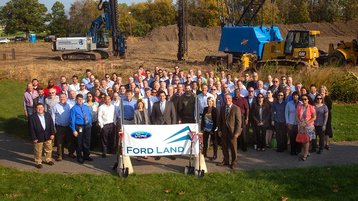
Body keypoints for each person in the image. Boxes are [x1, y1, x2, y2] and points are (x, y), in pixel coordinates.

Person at [217, 94, 242, 169]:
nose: (227, 100)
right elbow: (220, 120)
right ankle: (226, 160)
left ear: (231, 99)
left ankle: (234, 161)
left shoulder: (236, 108)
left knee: (233, 147)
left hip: (233, 131)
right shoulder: (222, 108)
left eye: (229, 98)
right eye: (226, 99)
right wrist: (219, 130)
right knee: (224, 147)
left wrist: (237, 133)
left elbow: (239, 122)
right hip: (224, 131)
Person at [151, 91, 177, 160]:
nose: (162, 97)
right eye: (160, 96)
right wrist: (154, 124)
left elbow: (173, 115)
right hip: (159, 125)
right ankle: (159, 154)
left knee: (170, 140)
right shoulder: (155, 104)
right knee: (159, 140)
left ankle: (171, 154)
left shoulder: (170, 104)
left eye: (163, 96)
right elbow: (153, 115)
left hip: (168, 124)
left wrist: (173, 125)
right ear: (159, 97)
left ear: (165, 96)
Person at [29, 103, 55, 169]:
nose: (40, 109)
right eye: (38, 108)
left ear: (44, 108)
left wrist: (52, 133)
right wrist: (34, 138)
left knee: (49, 149)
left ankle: (48, 159)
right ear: (36, 109)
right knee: (38, 150)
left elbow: (51, 124)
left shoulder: (48, 115)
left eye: (41, 107)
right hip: (38, 137)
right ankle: (38, 162)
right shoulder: (32, 117)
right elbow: (31, 129)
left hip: (48, 135)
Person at [70, 94, 93, 164]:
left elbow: (89, 115)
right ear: (76, 100)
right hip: (79, 127)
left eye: (81, 99)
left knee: (87, 142)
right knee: (79, 142)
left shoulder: (86, 107)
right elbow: (72, 120)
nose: (80, 100)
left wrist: (90, 124)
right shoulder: (73, 108)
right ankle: (79, 157)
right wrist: (73, 130)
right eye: (78, 99)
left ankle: (86, 155)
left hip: (87, 126)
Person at [52, 93, 75, 161]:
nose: (62, 98)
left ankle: (71, 153)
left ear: (66, 98)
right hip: (59, 127)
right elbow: (53, 117)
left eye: (64, 97)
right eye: (61, 97)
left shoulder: (69, 106)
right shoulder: (55, 106)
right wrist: (53, 127)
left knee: (70, 140)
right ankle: (60, 155)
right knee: (59, 141)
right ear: (59, 98)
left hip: (68, 126)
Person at [296, 94, 316, 161]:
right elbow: (297, 116)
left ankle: (305, 154)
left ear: (308, 100)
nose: (304, 100)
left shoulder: (311, 107)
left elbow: (314, 117)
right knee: (303, 140)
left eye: (305, 99)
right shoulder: (299, 107)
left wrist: (306, 123)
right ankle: (306, 152)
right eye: (302, 99)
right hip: (301, 125)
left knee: (306, 140)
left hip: (309, 126)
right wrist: (300, 123)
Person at [320, 85, 333, 150]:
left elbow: (329, 107)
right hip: (320, 116)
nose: (322, 91)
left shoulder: (328, 98)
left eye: (323, 90)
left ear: (325, 91)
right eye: (321, 89)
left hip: (327, 115)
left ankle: (327, 144)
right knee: (321, 130)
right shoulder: (318, 97)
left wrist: (323, 99)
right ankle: (321, 144)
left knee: (327, 130)